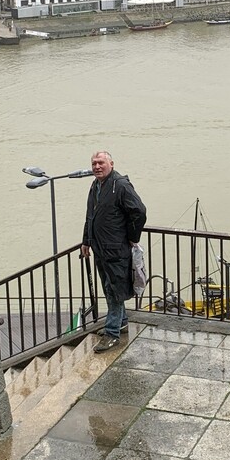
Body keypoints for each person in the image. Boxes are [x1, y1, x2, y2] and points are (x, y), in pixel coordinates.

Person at [81, 151, 147, 353]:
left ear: (111, 163)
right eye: (94, 163)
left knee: (114, 291)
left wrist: (132, 237)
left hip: (116, 249)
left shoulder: (120, 186)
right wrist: (86, 241)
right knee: (109, 287)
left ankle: (112, 334)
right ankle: (122, 323)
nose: (97, 167)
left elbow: (139, 211)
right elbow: (90, 216)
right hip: (101, 249)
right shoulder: (96, 186)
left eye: (101, 163)